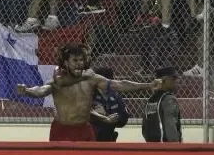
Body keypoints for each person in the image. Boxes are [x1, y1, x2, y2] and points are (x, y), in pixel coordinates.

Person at [16, 43, 161, 142]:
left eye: (81, 60)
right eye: (75, 60)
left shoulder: (91, 79)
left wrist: (147, 85)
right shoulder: (59, 80)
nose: (79, 63)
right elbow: (42, 90)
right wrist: (27, 91)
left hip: (84, 129)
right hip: (61, 130)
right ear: (66, 63)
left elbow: (119, 85)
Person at [142, 67, 182, 143]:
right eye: (173, 78)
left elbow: (144, 128)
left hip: (151, 146)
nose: (176, 81)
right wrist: (176, 146)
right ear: (164, 79)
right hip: (166, 148)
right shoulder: (168, 99)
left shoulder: (150, 100)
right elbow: (170, 126)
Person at [90, 67, 130, 142]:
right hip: (92, 138)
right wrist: (98, 116)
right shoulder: (91, 96)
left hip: (108, 136)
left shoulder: (115, 96)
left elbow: (124, 118)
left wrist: (112, 116)